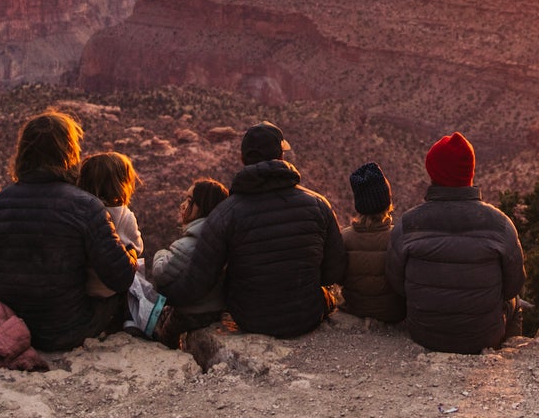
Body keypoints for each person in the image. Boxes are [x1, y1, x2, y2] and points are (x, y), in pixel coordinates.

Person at [155, 121, 346, 338]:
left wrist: (162, 296)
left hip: (251, 318)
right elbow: (334, 271)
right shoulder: (319, 204)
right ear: (281, 157)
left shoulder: (224, 214)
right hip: (307, 314)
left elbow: (197, 283)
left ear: (243, 160)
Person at [0, 110, 138, 352]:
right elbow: (121, 277)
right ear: (69, 152)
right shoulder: (86, 206)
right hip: (67, 331)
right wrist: (131, 252)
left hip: (12, 326)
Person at [387, 133, 524, 353]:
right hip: (483, 338)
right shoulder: (501, 224)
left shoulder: (407, 224)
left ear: (432, 172)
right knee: (516, 302)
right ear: (470, 171)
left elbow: (397, 284)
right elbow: (512, 286)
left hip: (424, 334)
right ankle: (510, 353)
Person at [143, 178, 232, 345]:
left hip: (195, 310)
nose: (182, 205)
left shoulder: (190, 244)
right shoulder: (217, 238)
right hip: (214, 306)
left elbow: (161, 272)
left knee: (165, 332)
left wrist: (161, 253)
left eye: (190, 200)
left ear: (204, 207)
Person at [79, 151, 143, 335]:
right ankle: (130, 320)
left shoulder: (80, 212)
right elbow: (137, 248)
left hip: (83, 290)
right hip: (111, 293)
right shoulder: (125, 216)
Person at [340, 163, 405, 323]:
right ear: (387, 202)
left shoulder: (344, 237)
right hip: (394, 312)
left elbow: (338, 276)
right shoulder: (398, 236)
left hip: (355, 308)